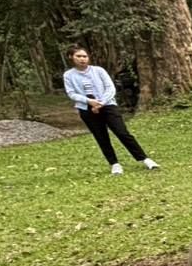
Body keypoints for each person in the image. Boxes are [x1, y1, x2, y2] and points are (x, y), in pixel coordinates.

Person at [62, 46, 161, 176]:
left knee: (122, 132)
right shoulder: (69, 75)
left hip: (108, 105)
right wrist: (88, 101)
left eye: (84, 56)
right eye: (78, 56)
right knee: (101, 137)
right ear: (71, 57)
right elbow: (71, 93)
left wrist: (101, 103)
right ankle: (114, 164)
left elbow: (110, 88)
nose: (82, 59)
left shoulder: (98, 71)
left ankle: (144, 159)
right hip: (86, 108)